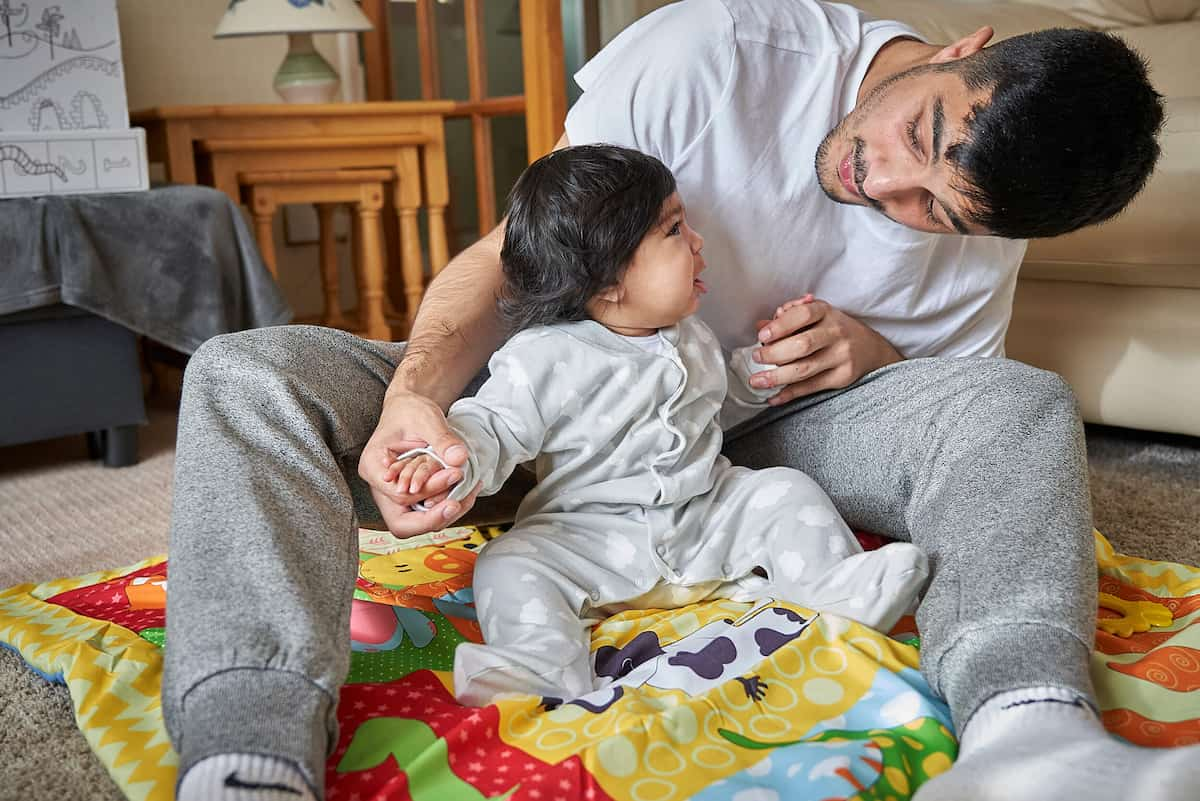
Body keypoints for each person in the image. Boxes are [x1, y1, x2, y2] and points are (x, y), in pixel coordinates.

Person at [164, 2, 1188, 801]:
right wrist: (415, 401)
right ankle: (249, 746)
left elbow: (953, 410)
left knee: (1018, 402)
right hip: (524, 410)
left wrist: (870, 351)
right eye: (914, 131)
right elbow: (515, 262)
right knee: (248, 375)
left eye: (936, 209)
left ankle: (1032, 729)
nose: (884, 185)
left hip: (743, 445)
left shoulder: (989, 226)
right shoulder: (716, 51)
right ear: (964, 47)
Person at [392, 143, 929, 705]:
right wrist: (449, 461)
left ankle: (832, 591)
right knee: (508, 563)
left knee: (783, 491)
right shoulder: (543, 357)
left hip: (702, 517)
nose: (697, 242)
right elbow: (494, 426)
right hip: (589, 535)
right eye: (674, 231)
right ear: (605, 281)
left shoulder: (690, 337)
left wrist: (765, 367)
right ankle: (540, 664)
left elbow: (713, 399)